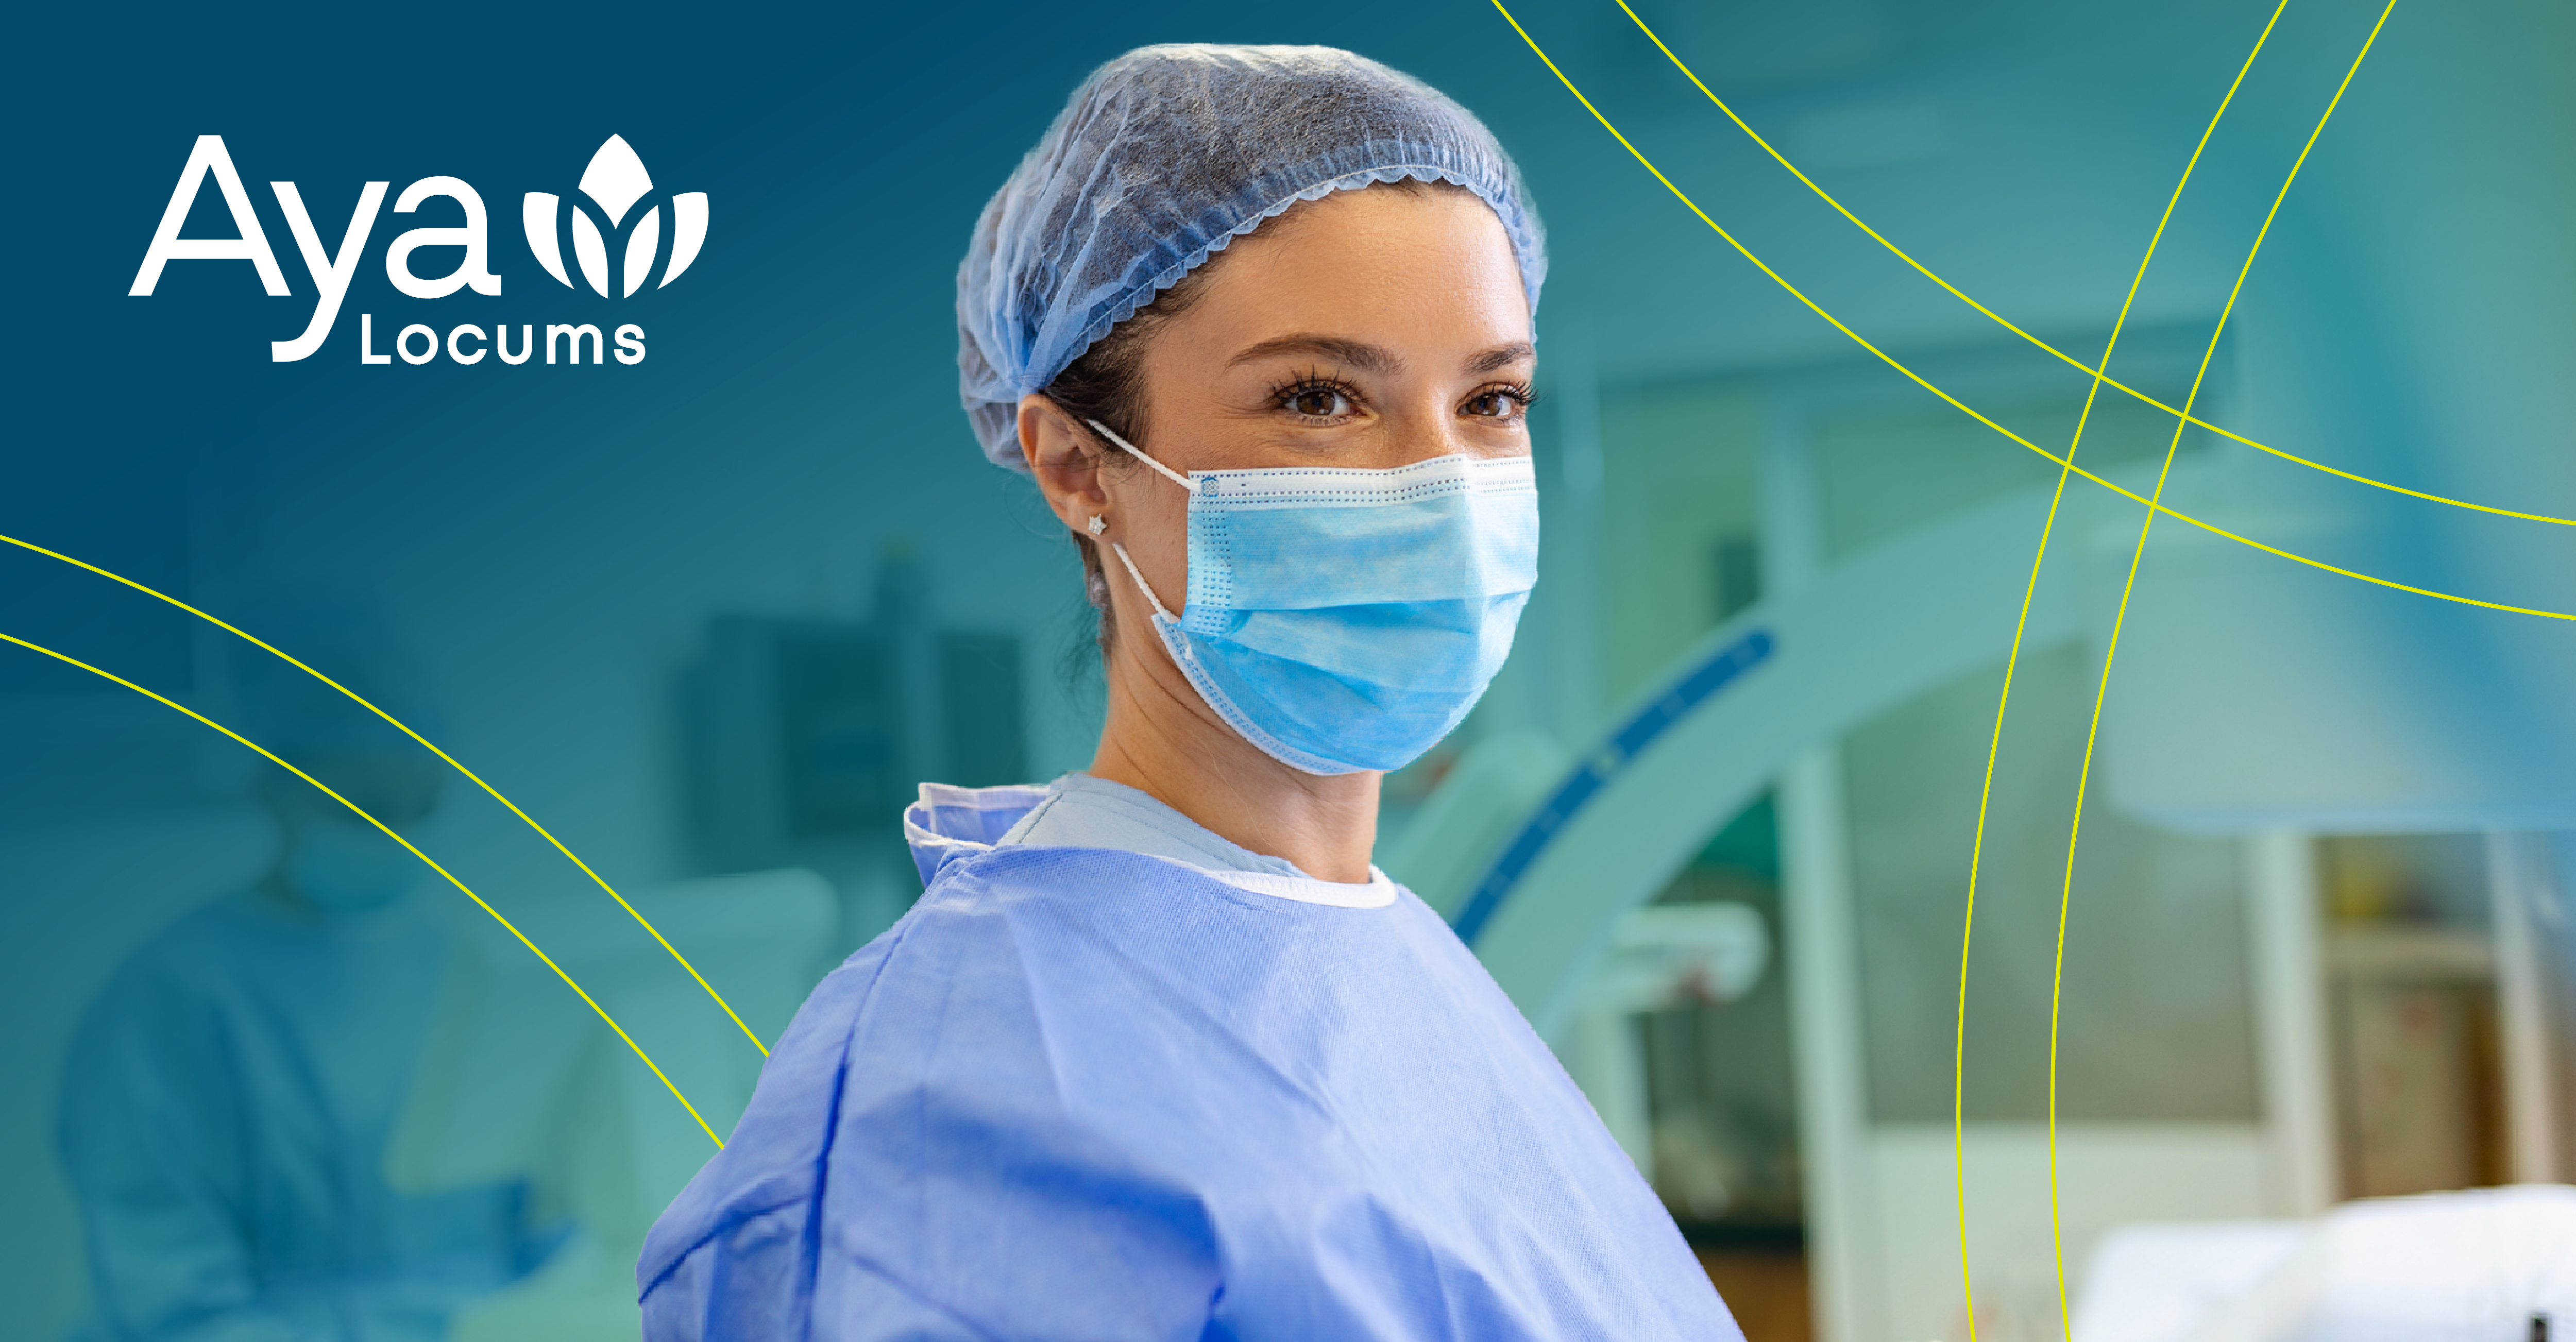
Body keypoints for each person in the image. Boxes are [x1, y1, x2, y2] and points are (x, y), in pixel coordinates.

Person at [639, 44, 1741, 1340]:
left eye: (1490, 399)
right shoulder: (964, 1085)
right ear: (1074, 467)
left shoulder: (1385, 955)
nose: (1442, 481)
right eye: (1319, 398)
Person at [56, 603, 557, 1340]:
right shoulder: (173, 997)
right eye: (363, 809)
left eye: (420, 809)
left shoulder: (461, 972)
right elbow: (169, 1290)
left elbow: (542, 1219)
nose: (399, 839)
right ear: (275, 783)